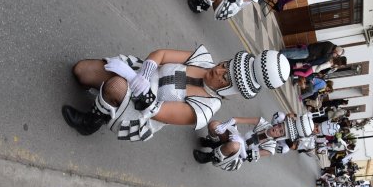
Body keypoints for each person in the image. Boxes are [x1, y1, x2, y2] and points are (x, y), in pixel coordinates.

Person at [62, 46, 290, 141]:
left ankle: (92, 121)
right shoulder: (202, 59)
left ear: (231, 88)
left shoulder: (207, 106)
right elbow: (161, 54)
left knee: (115, 87)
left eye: (225, 76)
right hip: (138, 75)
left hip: (141, 112)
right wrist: (146, 70)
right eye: (224, 65)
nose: (218, 70)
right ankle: (105, 97)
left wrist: (131, 83)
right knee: (81, 72)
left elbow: (157, 112)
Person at [194, 112, 314, 171]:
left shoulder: (271, 148)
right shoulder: (264, 123)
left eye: (281, 132)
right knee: (214, 125)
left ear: (282, 137)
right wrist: (226, 124)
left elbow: (246, 157)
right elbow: (237, 119)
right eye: (279, 126)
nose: (276, 129)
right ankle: (213, 144)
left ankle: (209, 157)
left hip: (236, 157)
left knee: (234, 145)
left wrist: (240, 144)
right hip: (235, 139)